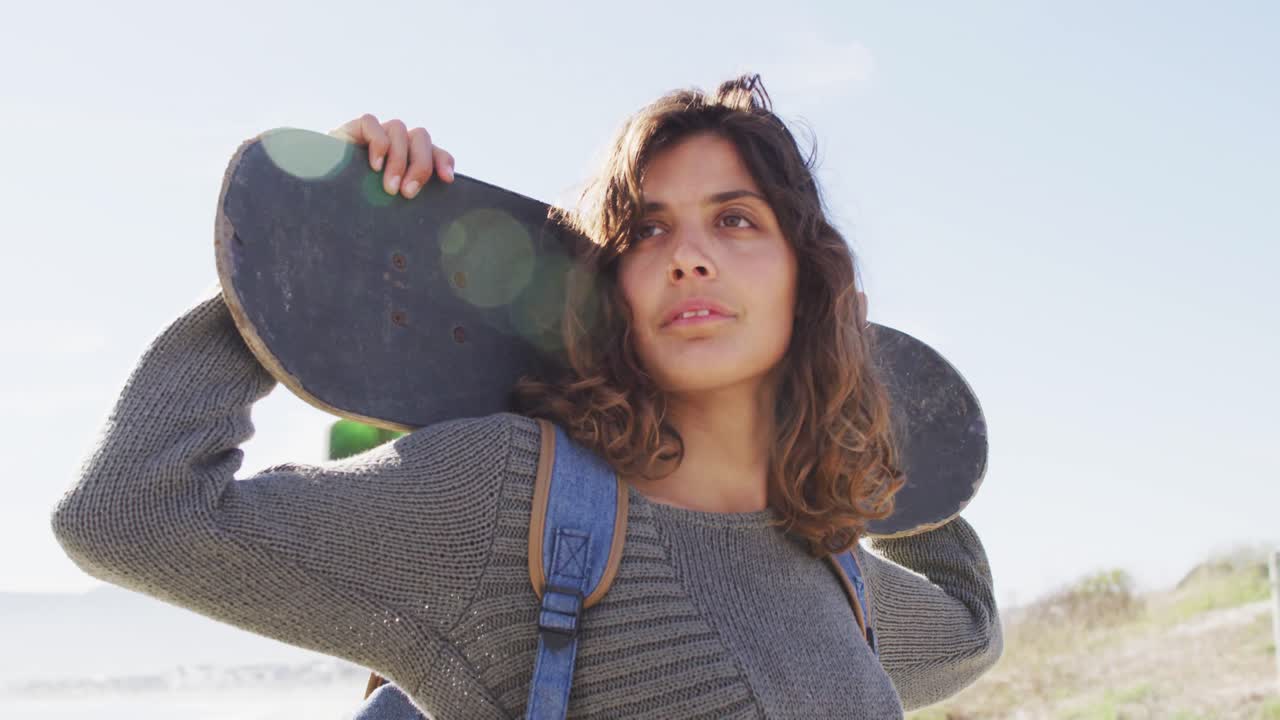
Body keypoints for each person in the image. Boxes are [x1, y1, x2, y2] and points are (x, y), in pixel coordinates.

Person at [51, 74, 1002, 719]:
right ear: (608, 290)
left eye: (737, 219)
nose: (691, 255)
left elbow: (970, 627)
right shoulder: (512, 502)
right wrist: (300, 261)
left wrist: (863, 406)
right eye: (647, 231)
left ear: (810, 283)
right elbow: (129, 514)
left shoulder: (826, 558)